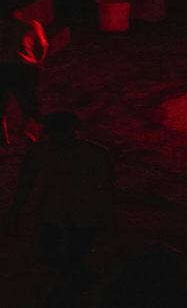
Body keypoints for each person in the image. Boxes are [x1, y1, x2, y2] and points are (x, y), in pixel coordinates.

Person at [4, 111, 116, 307]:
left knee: (55, 261)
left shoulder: (41, 152)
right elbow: (107, 190)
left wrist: (14, 215)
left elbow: (25, 185)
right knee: (55, 260)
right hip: (74, 213)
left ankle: (67, 292)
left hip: (68, 213)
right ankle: (81, 283)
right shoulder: (96, 152)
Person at [0, 0, 48, 146]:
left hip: (1, 68)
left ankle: (2, 138)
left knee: (0, 104)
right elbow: (42, 48)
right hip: (25, 68)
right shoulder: (31, 25)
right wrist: (39, 63)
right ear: (18, 11)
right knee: (30, 104)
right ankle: (31, 135)